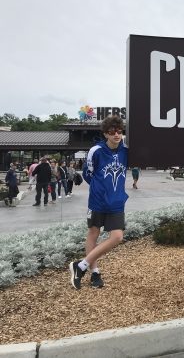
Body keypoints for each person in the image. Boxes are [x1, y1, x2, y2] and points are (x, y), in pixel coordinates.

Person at [69, 116, 129, 289]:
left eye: (119, 131)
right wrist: (100, 188)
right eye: (112, 132)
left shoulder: (126, 150)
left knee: (117, 237)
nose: (116, 134)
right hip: (98, 200)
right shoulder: (96, 151)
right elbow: (88, 173)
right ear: (105, 134)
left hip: (117, 201)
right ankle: (95, 272)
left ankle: (80, 265)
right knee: (93, 233)